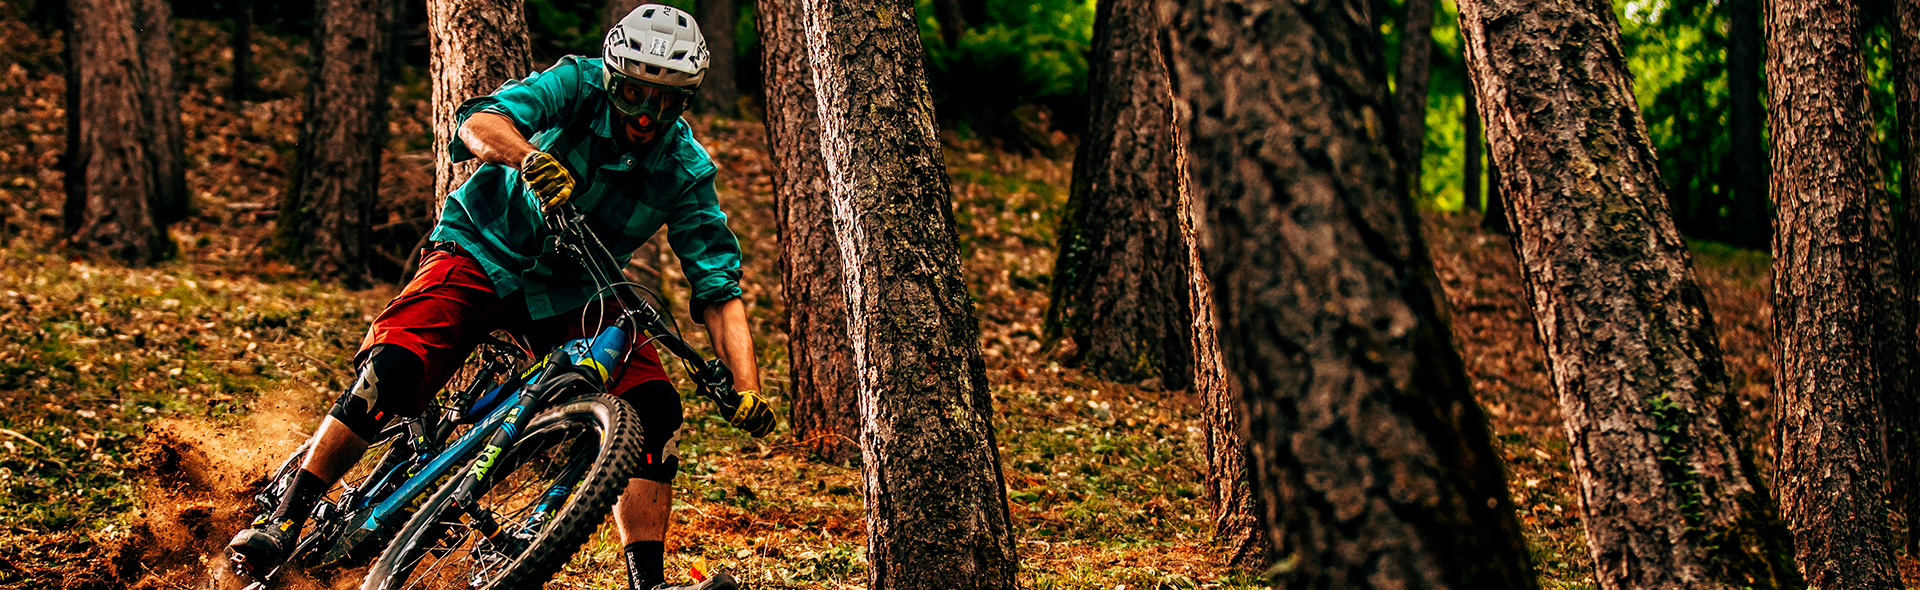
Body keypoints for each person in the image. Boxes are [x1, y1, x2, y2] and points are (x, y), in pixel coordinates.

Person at [226, 5, 774, 589]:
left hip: (578, 287)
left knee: (655, 410)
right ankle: (286, 516)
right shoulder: (576, 83)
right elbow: (479, 122)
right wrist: (529, 157)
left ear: (684, 102)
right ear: (614, 79)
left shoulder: (684, 167)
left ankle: (649, 581)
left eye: (665, 102)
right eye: (636, 95)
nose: (647, 115)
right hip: (481, 249)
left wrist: (746, 388)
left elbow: (719, 288)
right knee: (396, 367)